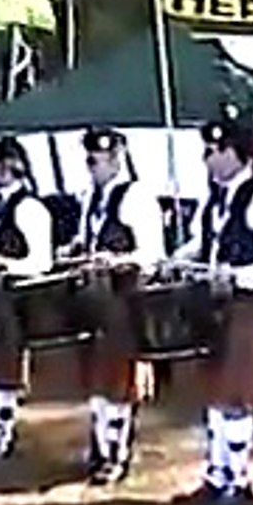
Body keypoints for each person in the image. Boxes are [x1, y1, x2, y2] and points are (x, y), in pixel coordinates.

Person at [171, 118, 253, 505]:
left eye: (218, 151)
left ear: (241, 155)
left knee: (236, 396)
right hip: (210, 307)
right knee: (214, 393)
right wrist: (178, 259)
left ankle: (238, 482)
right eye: (208, 151)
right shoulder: (212, 198)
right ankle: (216, 473)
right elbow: (202, 241)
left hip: (247, 307)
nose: (209, 158)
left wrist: (235, 276)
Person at [68, 127, 165, 484]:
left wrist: (116, 260)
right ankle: (99, 446)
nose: (93, 166)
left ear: (117, 159)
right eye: (90, 160)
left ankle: (118, 453)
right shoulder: (91, 197)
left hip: (126, 296)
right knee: (95, 377)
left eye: (99, 160)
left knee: (119, 380)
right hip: (95, 298)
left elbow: (152, 254)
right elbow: (86, 238)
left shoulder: (137, 197)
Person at [0, 137, 53, 460]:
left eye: (2, 166)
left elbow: (41, 262)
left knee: (5, 367)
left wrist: (5, 264)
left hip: (16, 297)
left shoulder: (30, 208)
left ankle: (4, 433)